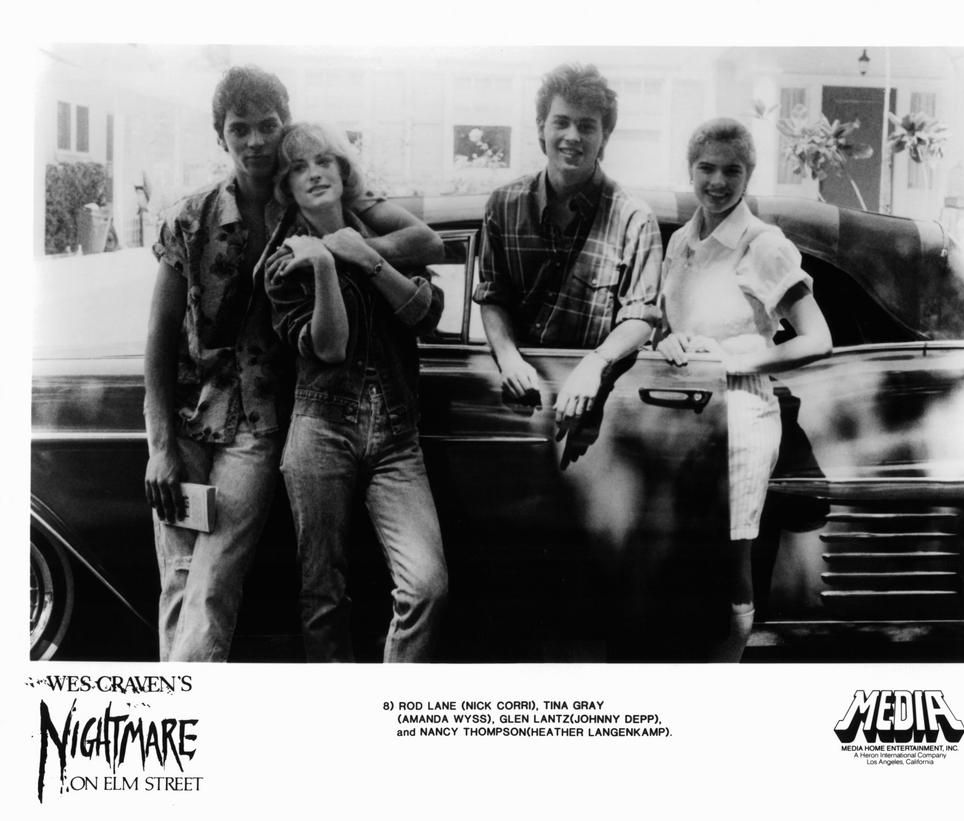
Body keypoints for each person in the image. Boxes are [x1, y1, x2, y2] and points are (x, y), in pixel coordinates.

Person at [143, 66, 443, 662]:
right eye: (239, 129)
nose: (255, 141)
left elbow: (425, 246)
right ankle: (180, 710)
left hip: (259, 425)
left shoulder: (311, 205)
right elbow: (158, 337)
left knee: (211, 583)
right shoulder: (190, 217)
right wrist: (159, 446)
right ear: (221, 136)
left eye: (267, 126)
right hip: (188, 418)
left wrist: (346, 250)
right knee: (179, 582)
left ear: (284, 128)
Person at [264, 123, 447, 662]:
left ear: (343, 172)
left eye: (324, 161)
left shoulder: (381, 235)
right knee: (323, 592)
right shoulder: (283, 262)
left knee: (427, 586)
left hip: (397, 437)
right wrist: (323, 264)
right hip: (320, 432)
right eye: (298, 167)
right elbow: (331, 347)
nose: (314, 173)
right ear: (286, 186)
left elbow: (425, 315)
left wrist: (362, 254)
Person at [656, 118, 832, 662]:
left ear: (748, 175)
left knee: (732, 561)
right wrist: (669, 340)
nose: (717, 182)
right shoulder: (681, 241)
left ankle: (724, 671)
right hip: (683, 415)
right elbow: (668, 324)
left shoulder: (763, 244)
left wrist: (735, 360)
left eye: (732, 170)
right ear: (690, 170)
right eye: (706, 168)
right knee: (682, 554)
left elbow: (818, 338)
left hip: (741, 413)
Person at [473, 63, 662, 427]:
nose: (572, 136)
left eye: (587, 126)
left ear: (605, 136)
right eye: (561, 122)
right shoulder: (503, 205)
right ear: (541, 128)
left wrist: (596, 363)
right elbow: (493, 296)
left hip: (599, 406)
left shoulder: (634, 218)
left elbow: (640, 317)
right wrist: (508, 358)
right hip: (515, 401)